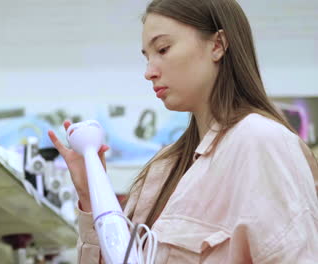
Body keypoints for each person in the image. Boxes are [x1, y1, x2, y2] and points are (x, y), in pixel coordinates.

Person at [48, 0, 318, 263]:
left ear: (218, 45)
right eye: (147, 56)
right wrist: (90, 194)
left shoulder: (261, 143)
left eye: (163, 49)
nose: (149, 72)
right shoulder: (163, 168)